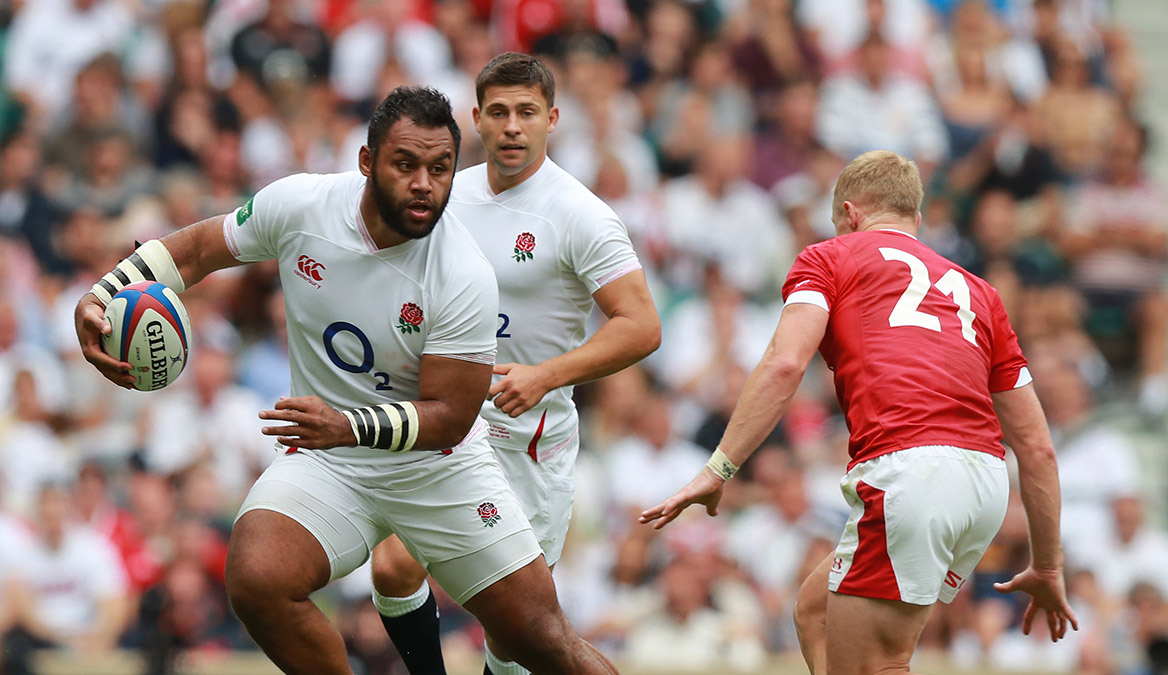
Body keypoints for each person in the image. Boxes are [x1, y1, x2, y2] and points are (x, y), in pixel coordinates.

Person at [73, 86, 618, 675]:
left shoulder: (463, 274)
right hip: (330, 459)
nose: (423, 185)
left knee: (544, 643)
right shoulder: (302, 207)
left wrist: (345, 424)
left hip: (437, 469)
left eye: (439, 170)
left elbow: (451, 418)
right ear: (366, 162)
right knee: (257, 579)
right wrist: (104, 292)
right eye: (405, 165)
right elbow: (201, 248)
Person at [639, 150, 1077, 675]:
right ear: (915, 218)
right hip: (983, 482)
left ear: (849, 214)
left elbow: (784, 364)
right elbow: (1036, 445)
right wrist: (1048, 563)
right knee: (814, 613)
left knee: (878, 665)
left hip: (911, 474)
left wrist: (720, 468)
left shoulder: (829, 256)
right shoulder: (981, 293)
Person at [368, 53, 661, 675]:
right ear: (476, 119)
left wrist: (546, 374)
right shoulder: (449, 193)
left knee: (519, 635)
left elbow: (641, 327)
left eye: (526, 112)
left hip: (528, 440)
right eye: (497, 112)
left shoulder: (581, 215)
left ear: (551, 119)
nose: (511, 126)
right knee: (394, 565)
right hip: (451, 421)